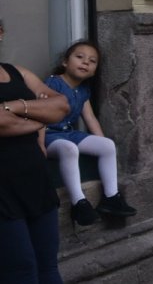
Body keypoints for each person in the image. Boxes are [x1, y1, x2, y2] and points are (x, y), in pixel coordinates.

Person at [42, 41, 137, 226]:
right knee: (69, 149)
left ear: (94, 70)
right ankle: (79, 203)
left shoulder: (83, 90)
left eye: (92, 61)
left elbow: (90, 118)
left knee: (107, 145)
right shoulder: (53, 83)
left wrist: (100, 144)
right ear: (65, 62)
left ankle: (111, 198)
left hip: (69, 133)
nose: (85, 62)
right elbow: (41, 112)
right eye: (79, 57)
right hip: (49, 135)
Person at [0, 61, 69, 284]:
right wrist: (40, 116)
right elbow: (2, 124)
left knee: (47, 266)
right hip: (2, 190)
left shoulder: (16, 71)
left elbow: (61, 106)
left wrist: (13, 107)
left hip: (35, 178)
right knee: (20, 271)